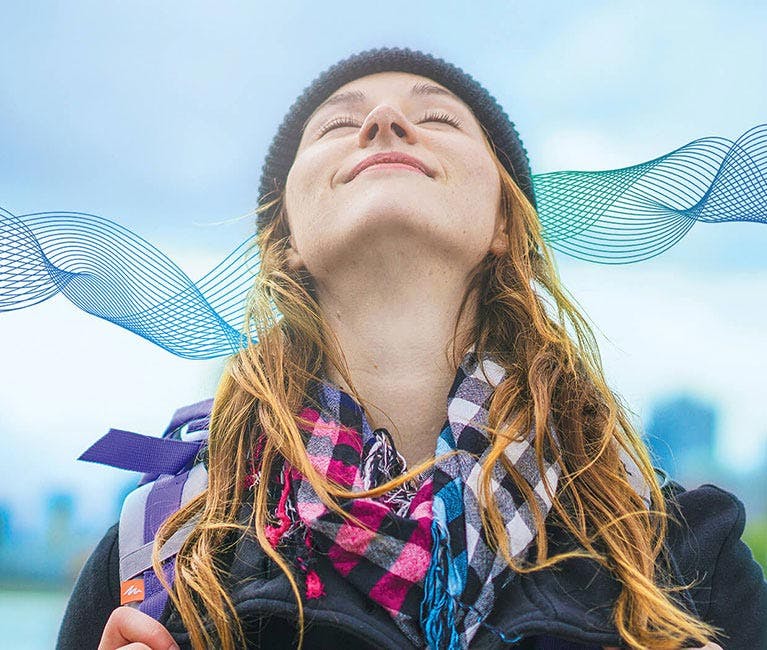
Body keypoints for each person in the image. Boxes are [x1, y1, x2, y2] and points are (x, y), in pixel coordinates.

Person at [56, 46, 766, 650]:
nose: (383, 122)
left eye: (436, 119)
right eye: (338, 124)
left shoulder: (683, 553)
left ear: (501, 223)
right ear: (287, 244)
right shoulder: (156, 555)